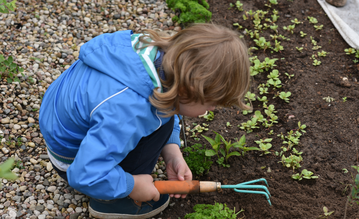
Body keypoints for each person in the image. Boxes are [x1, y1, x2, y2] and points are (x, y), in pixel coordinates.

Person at [39, 23, 251, 218]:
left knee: (162, 112)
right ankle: (111, 202)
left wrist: (172, 151)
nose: (212, 109)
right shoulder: (128, 109)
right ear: (188, 90)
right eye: (211, 103)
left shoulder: (151, 57)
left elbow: (168, 105)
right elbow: (84, 174)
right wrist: (132, 185)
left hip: (65, 130)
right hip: (72, 160)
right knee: (153, 115)